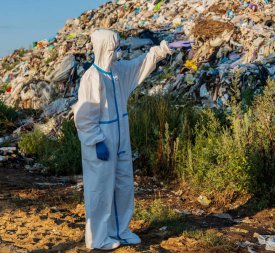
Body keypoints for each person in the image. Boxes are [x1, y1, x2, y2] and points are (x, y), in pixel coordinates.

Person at [73, 28, 191, 250]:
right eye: (113, 48)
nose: (117, 52)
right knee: (100, 188)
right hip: (102, 140)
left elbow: (141, 64)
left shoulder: (117, 73)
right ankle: (98, 238)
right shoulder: (92, 77)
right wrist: (96, 141)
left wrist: (165, 49)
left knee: (123, 184)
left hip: (120, 137)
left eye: (118, 47)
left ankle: (120, 230)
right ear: (102, 49)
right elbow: (84, 115)